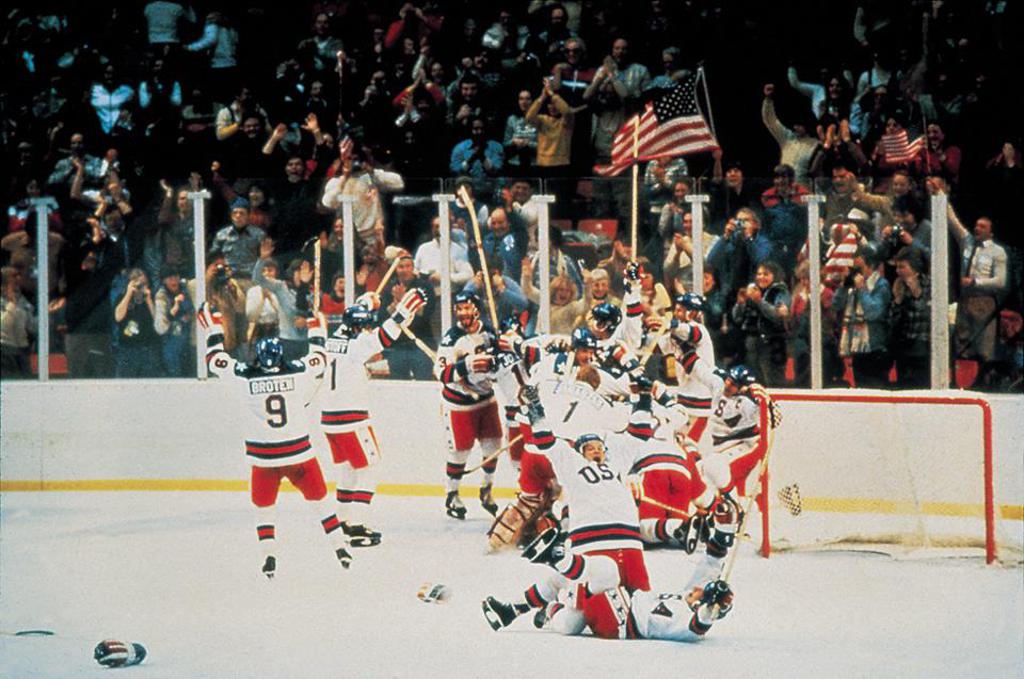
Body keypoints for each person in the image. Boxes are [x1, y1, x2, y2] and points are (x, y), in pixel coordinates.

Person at [197, 305, 352, 578]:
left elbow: (214, 359)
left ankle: (268, 556)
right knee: (322, 503)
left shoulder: (244, 377)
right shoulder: (298, 372)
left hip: (263, 459)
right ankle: (340, 548)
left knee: (263, 509)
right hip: (299, 456)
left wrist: (213, 327)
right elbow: (320, 355)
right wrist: (317, 324)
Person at [319, 289, 426, 547]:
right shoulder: (359, 344)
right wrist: (407, 307)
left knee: (348, 469)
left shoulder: (335, 337)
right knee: (370, 468)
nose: (368, 328)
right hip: (351, 418)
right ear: (359, 327)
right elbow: (387, 333)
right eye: (366, 325)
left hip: (329, 419)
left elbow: (358, 313)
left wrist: (368, 300)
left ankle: (342, 519)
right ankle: (357, 525)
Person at [434, 291, 503, 519]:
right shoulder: (451, 338)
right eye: (459, 308)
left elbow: (501, 362)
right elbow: (441, 374)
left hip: (486, 399)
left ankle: (486, 489)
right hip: (459, 403)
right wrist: (467, 365)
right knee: (460, 451)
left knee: (493, 446)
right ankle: (452, 494)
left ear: (476, 309)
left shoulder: (489, 332)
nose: (462, 313)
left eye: (466, 308)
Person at [944, 191, 1008, 383]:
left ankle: (986, 381)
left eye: (982, 226)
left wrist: (976, 282)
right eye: (977, 225)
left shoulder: (998, 252)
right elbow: (953, 222)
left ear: (991, 231)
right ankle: (961, 381)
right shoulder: (968, 243)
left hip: (984, 301)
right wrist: (942, 197)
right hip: (966, 301)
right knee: (962, 343)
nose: (977, 228)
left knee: (984, 346)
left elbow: (1000, 281)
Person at [658, 293, 715, 442]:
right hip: (683, 397)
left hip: (701, 400)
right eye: (676, 310)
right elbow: (661, 347)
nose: (677, 313)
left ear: (694, 312)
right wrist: (654, 328)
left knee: (690, 445)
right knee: (677, 443)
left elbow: (690, 333)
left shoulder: (700, 330)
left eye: (681, 310)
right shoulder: (674, 334)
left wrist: (670, 324)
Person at [833, 244, 891, 388]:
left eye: (859, 269)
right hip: (856, 347)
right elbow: (836, 305)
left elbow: (874, 312)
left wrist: (862, 289)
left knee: (875, 389)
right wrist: (844, 285)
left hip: (874, 347)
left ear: (870, 265)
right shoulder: (853, 287)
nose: (857, 273)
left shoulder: (881, 285)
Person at [731, 261, 790, 387]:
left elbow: (777, 315)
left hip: (773, 345)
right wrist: (740, 304)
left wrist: (759, 301)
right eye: (759, 274)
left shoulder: (780, 291)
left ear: (775, 275)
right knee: (755, 382)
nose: (761, 277)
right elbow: (737, 318)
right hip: (752, 345)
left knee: (773, 382)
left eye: (766, 274)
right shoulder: (753, 291)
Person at [890, 248, 931, 389]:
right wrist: (897, 300)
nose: (898, 271)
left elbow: (926, 314)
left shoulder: (928, 284)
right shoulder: (899, 285)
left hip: (923, 345)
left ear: (915, 268)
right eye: (897, 267)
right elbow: (892, 320)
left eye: (902, 267)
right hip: (904, 345)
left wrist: (916, 292)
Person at [111, 268, 162, 378]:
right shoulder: (122, 298)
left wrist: (148, 300)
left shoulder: (153, 298)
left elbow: (158, 322)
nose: (140, 287)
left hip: (148, 349)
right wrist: (129, 293)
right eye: (138, 285)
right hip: (127, 350)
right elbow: (118, 317)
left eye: (143, 284)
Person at [209, 198, 266, 280]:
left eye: (242, 213)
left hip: (251, 278)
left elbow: (264, 258)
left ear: (248, 216)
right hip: (228, 278)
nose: (238, 216)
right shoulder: (222, 235)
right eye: (234, 213)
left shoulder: (258, 235)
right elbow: (214, 256)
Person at [153, 265, 194, 377]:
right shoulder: (161, 296)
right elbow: (160, 326)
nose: (174, 281)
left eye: (175, 277)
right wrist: (175, 306)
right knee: (174, 372)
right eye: (170, 278)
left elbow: (193, 309)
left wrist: (188, 316)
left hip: (186, 340)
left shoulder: (185, 289)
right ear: (164, 281)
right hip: (171, 342)